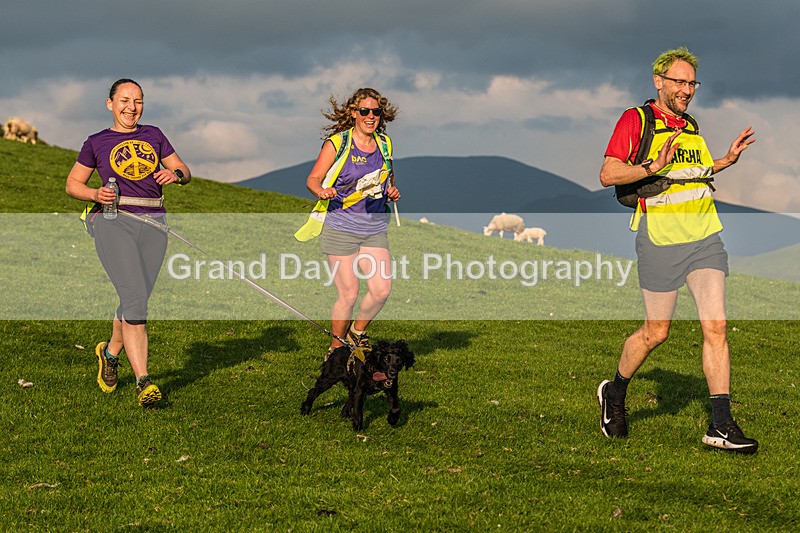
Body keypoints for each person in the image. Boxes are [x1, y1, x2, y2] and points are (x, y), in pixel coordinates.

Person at [597, 48, 758, 453]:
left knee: (716, 327)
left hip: (705, 236)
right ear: (659, 81)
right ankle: (614, 394)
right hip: (661, 240)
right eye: (680, 82)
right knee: (657, 332)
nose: (687, 90)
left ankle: (721, 425)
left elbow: (690, 173)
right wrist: (651, 166)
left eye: (692, 83)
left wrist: (724, 161)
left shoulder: (690, 126)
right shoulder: (637, 120)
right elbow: (608, 174)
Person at [66, 78, 191, 407]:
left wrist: (174, 175)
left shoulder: (155, 135)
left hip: (154, 223)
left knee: (134, 298)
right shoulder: (96, 142)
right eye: (124, 100)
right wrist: (95, 193)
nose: (131, 107)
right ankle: (143, 382)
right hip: (114, 222)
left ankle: (108, 354)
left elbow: (184, 169)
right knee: (136, 300)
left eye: (137, 101)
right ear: (110, 104)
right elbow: (73, 184)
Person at [296, 87, 400, 357]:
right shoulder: (338, 143)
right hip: (341, 228)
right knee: (349, 295)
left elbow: (387, 179)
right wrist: (321, 191)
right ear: (354, 113)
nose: (370, 116)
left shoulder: (385, 144)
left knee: (381, 291)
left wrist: (392, 190)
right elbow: (313, 178)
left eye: (375, 111)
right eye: (364, 111)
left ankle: (357, 333)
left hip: (374, 229)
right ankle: (336, 351)